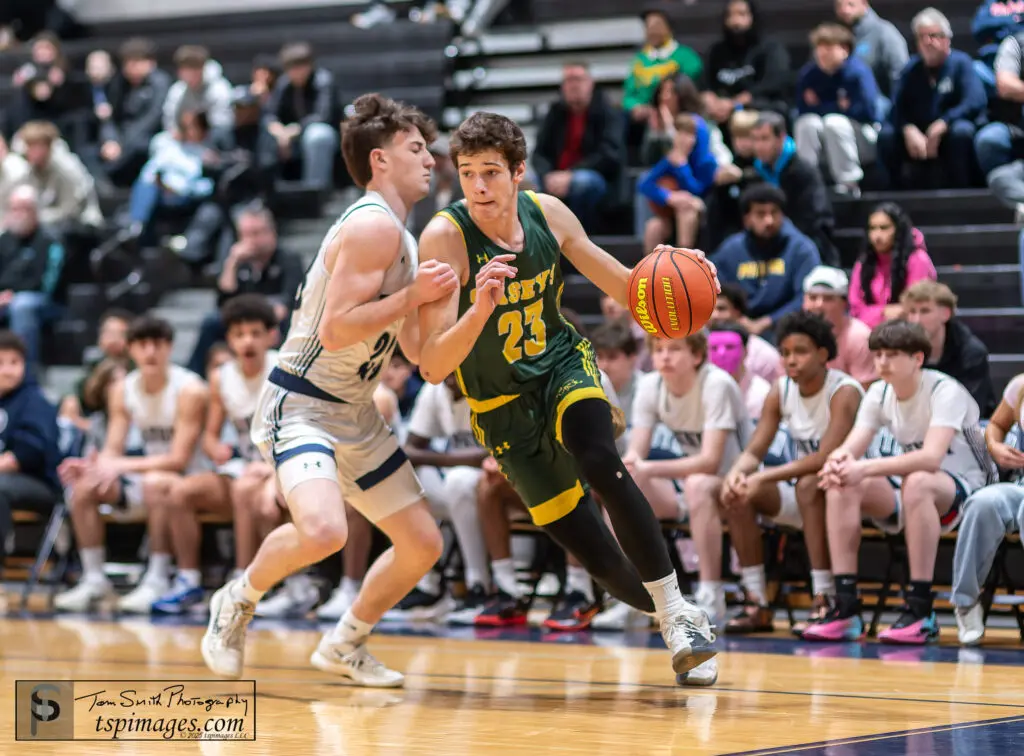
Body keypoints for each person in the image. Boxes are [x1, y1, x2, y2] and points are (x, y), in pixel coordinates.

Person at [416, 111, 720, 684]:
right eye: (466, 173)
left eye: (490, 172)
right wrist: (479, 308)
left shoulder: (548, 214)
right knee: (600, 560)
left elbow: (631, 290)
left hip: (560, 365)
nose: (478, 186)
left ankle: (678, 613)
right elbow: (432, 365)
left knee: (599, 458)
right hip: (500, 406)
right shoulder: (444, 237)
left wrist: (686, 273)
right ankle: (678, 614)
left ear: (518, 173)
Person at [201, 94, 457, 688]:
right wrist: (413, 297)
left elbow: (419, 356)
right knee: (324, 530)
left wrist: (468, 307)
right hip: (302, 402)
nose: (430, 159)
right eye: (415, 148)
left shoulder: (406, 237)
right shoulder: (371, 224)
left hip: (355, 411)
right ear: (380, 160)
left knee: (421, 544)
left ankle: (346, 643)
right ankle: (238, 598)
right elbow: (337, 329)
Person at [808, 320, 995, 644]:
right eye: (877, 355)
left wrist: (862, 468)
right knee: (842, 482)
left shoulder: (944, 390)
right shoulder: (879, 392)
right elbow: (853, 445)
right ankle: (847, 607)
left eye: (892, 355)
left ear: (918, 359)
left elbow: (931, 458)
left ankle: (922, 609)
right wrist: (836, 462)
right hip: (912, 490)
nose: (881, 363)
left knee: (919, 480)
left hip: (970, 490)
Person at [54, 316, 209, 614]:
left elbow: (178, 460)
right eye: (142, 344)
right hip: (146, 476)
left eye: (158, 344)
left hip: (189, 479)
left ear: (169, 348)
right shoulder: (122, 389)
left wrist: (118, 465)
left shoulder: (190, 389)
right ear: (131, 349)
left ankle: (158, 576)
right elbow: (112, 450)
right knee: (83, 488)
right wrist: (93, 467)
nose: (150, 352)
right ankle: (94, 578)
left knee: (157, 483)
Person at [720, 312, 862, 634]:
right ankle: (756, 600)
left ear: (824, 353)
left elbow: (824, 457)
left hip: (848, 492)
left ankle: (824, 596)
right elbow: (754, 450)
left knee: (809, 485)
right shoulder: (780, 389)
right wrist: (738, 474)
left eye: (800, 351)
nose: (790, 360)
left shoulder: (844, 391)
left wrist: (764, 476)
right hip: (804, 493)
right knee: (739, 492)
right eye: (784, 352)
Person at [153, 295, 279, 614]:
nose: (247, 341)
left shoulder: (285, 367)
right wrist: (214, 448)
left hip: (283, 467)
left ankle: (245, 582)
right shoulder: (221, 377)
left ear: (270, 336)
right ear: (229, 340)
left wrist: (272, 467)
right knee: (180, 493)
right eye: (239, 334)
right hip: (245, 467)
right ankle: (188, 579)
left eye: (254, 333)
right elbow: (210, 435)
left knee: (244, 489)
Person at [622, 331, 752, 627]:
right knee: (623, 485)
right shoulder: (650, 385)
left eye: (675, 349)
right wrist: (631, 468)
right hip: (691, 489)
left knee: (698, 483)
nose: (665, 356)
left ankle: (711, 595)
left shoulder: (716, 383)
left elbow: (710, 461)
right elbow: (635, 456)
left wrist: (648, 469)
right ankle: (630, 595)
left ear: (696, 355)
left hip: (739, 483)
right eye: (659, 349)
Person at [951, 371, 1024, 646]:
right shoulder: (1020, 385)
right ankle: (966, 603)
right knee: (982, 503)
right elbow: (996, 424)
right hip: (1020, 485)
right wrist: (995, 446)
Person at [0, 330, 61, 551]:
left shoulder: (34, 400)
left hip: (37, 482)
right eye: (1, 363)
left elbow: (29, 452)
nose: (8, 370)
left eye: (14, 362)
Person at [900, 280, 996, 416]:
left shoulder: (971, 352)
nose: (916, 320)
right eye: (912, 312)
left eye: (925, 311)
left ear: (945, 313)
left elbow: (970, 410)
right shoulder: (904, 350)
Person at [848, 203, 935, 328]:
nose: (876, 235)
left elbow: (915, 310)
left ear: (898, 229)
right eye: (872, 228)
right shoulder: (863, 263)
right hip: (869, 333)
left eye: (884, 228)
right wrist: (884, 312)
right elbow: (855, 310)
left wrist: (873, 314)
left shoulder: (918, 260)